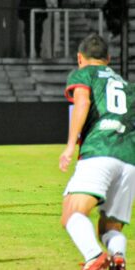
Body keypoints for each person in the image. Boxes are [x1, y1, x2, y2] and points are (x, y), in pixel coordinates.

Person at [59, 33, 135, 270]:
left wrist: (70, 146)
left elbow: (82, 102)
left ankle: (94, 257)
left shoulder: (84, 73)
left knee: (71, 213)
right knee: (109, 226)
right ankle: (117, 257)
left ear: (80, 58)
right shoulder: (126, 85)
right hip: (129, 158)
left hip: (99, 150)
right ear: (108, 58)